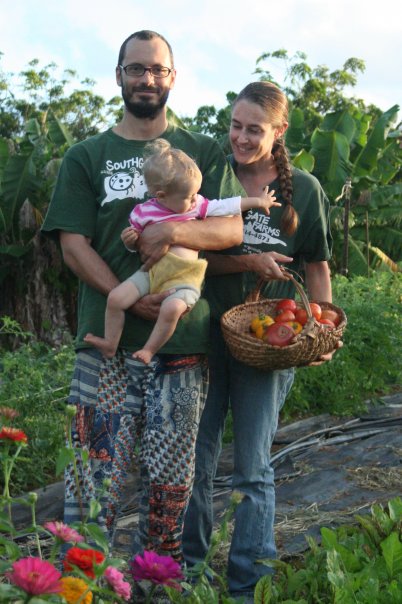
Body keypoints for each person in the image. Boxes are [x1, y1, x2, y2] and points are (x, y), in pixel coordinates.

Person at [41, 30, 245, 564]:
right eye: (136, 69)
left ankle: (158, 589)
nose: (147, 79)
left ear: (171, 78)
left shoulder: (202, 150)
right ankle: (83, 589)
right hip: (104, 344)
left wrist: (172, 234)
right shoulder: (87, 156)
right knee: (91, 483)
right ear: (119, 76)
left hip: (182, 341)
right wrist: (127, 298)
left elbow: (229, 231)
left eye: (157, 69)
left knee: (169, 488)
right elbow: (72, 245)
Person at [182, 81, 341, 601]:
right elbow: (187, 249)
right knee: (196, 466)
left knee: (253, 468)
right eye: (236, 125)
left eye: (255, 129)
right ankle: (190, 578)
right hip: (205, 335)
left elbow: (316, 267)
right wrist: (248, 261)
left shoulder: (307, 190)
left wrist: (320, 327)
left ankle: (248, 586)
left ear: (279, 132)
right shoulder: (210, 178)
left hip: (269, 346)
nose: (243, 138)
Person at [84, 138, 280, 364]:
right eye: (188, 196)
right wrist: (130, 241)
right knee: (116, 298)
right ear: (161, 196)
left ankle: (149, 349)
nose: (195, 199)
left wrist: (258, 201)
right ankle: (110, 343)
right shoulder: (143, 212)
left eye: (196, 194)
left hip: (184, 278)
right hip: (150, 274)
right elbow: (136, 246)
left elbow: (227, 205)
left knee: (171, 309)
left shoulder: (195, 205)